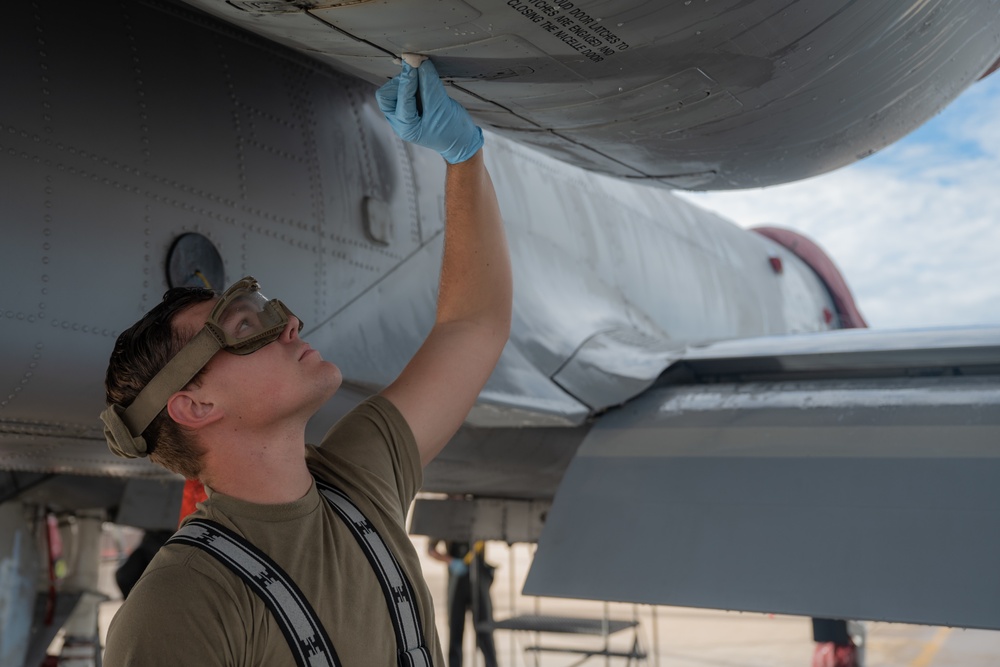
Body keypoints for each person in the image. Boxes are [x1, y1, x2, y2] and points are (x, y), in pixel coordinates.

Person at [99, 57, 511, 666]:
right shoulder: (181, 605)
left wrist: (464, 159)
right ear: (194, 404)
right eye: (245, 327)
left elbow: (473, 328)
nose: (287, 322)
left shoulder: (359, 478)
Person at [427, 540, 498, 667]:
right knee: (455, 631)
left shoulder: (483, 521)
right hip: (457, 579)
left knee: (485, 632)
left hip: (479, 578)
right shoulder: (444, 521)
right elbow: (430, 549)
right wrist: (450, 561)